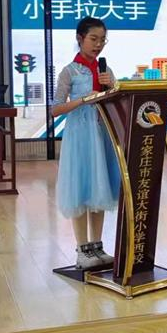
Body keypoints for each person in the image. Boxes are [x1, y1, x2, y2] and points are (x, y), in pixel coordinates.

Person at [52, 17, 120, 269]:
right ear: (80, 39)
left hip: (102, 135)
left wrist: (112, 88)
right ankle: (82, 250)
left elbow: (117, 102)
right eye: (93, 39)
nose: (98, 44)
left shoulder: (106, 70)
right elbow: (55, 109)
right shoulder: (69, 71)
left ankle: (97, 246)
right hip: (80, 137)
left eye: (102, 40)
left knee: (99, 187)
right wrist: (83, 100)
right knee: (81, 188)